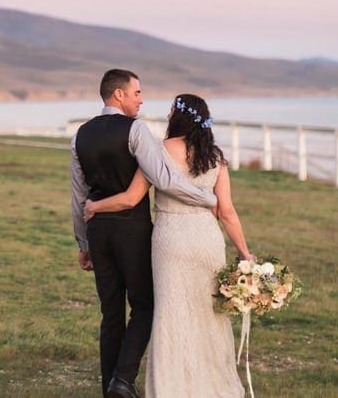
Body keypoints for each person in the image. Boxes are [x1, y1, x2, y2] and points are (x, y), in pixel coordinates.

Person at [84, 93, 254, 397]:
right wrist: (244, 252)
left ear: (179, 117)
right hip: (206, 238)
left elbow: (131, 198)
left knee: (170, 312)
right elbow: (226, 212)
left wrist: (95, 206)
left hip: (170, 239)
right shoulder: (215, 156)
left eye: (171, 110)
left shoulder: (160, 150)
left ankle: (171, 386)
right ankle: (210, 384)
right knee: (208, 311)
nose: (166, 114)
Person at [70, 70, 218, 398]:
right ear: (118, 95)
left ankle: (110, 385)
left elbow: (79, 195)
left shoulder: (80, 134)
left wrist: (83, 242)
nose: (141, 99)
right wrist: (208, 198)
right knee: (145, 304)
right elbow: (165, 179)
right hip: (132, 232)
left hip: (98, 232)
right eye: (136, 92)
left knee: (110, 312)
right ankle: (123, 379)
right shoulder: (136, 130)